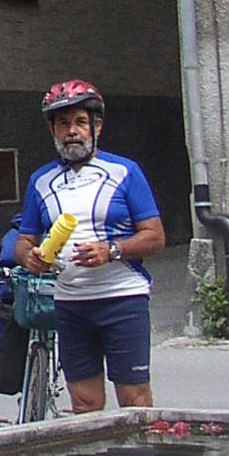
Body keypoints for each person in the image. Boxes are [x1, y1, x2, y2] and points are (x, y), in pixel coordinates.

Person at [13, 79, 166, 413]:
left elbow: (155, 236)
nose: (72, 131)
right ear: (52, 130)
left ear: (97, 126)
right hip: (70, 305)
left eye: (80, 122)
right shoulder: (41, 181)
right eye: (63, 123)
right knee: (84, 404)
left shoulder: (125, 171)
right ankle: (97, 453)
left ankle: (137, 451)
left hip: (122, 299)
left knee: (135, 401)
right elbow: (24, 240)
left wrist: (111, 250)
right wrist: (29, 258)